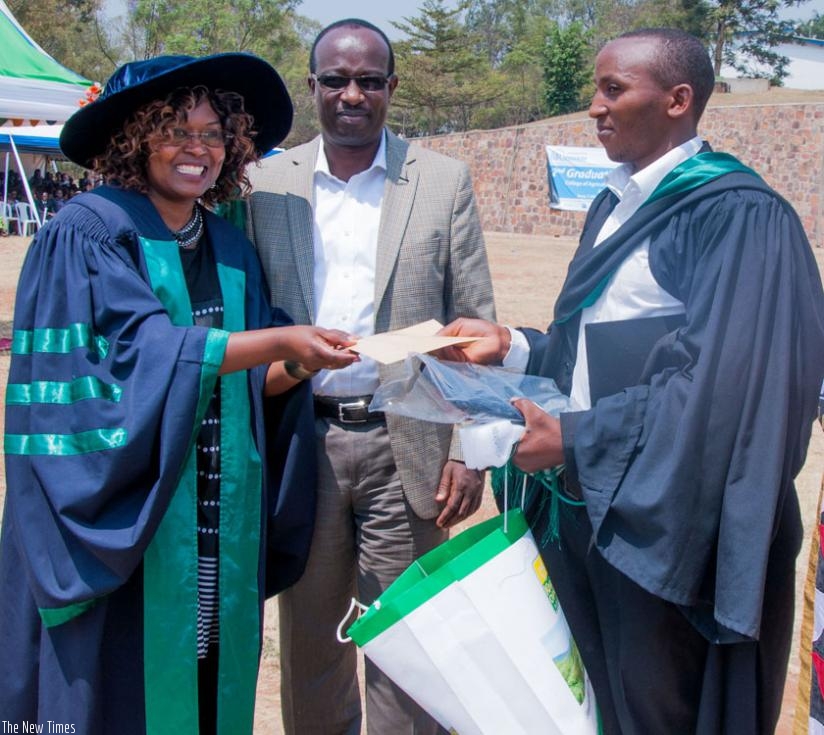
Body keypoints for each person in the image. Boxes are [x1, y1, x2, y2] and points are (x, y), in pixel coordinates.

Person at [440, 28, 824, 734]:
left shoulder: (737, 215)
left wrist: (578, 436)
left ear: (678, 99)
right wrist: (515, 347)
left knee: (661, 713)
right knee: (598, 708)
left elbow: (726, 391)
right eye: (596, 88)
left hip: (672, 530)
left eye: (614, 89)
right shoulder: (618, 202)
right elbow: (605, 349)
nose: (594, 106)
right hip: (595, 507)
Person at [0, 53, 358, 734]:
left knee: (204, 677)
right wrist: (282, 341)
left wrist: (306, 362)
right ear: (135, 136)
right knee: (119, 695)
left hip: (212, 522)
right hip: (124, 518)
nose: (198, 149)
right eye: (176, 130)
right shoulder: (87, 231)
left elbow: (252, 379)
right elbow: (142, 354)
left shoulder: (227, 245)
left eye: (215, 134)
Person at [246, 18, 496, 735]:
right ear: (313, 85)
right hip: (307, 444)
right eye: (335, 80)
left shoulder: (442, 180)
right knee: (312, 646)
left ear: (391, 87)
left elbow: (473, 321)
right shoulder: (266, 183)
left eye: (369, 80)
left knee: (409, 640)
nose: (351, 94)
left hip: (408, 445)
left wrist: (468, 449)